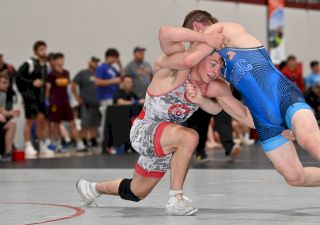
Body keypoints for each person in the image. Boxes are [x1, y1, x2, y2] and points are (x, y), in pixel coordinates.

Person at [160, 10, 320, 220]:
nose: (193, 48)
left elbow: (184, 57)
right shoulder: (219, 69)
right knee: (295, 177)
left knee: (310, 141)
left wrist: (170, 61)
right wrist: (200, 100)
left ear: (197, 27)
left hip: (284, 97)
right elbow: (235, 111)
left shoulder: (228, 30)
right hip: (264, 119)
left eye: (192, 40)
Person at [76, 26, 285, 216]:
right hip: (144, 131)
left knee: (136, 192)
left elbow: (243, 115)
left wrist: (278, 127)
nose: (215, 71)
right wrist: (206, 38)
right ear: (199, 58)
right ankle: (175, 199)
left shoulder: (212, 86)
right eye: (212, 63)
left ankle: (91, 188)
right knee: (189, 136)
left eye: (219, 67)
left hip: (166, 140)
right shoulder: (177, 69)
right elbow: (165, 33)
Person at [16, 40, 53, 158]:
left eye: (44, 49)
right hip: (30, 95)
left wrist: (46, 85)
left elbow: (45, 79)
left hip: (40, 96)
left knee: (41, 120)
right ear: (36, 51)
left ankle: (42, 144)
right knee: (29, 120)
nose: (43, 52)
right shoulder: (29, 63)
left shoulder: (45, 65)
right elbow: (18, 78)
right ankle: (28, 145)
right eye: (41, 49)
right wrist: (32, 82)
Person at [46, 53, 86, 152]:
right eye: (58, 59)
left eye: (62, 59)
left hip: (65, 101)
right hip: (55, 101)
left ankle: (79, 143)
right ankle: (58, 143)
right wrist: (48, 101)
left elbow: (68, 87)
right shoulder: (51, 75)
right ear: (54, 61)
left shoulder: (66, 73)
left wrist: (73, 101)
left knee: (72, 122)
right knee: (56, 123)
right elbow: (48, 89)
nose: (61, 62)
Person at [96, 48, 123, 152]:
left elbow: (121, 76)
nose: (116, 60)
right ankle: (102, 143)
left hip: (112, 97)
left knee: (110, 121)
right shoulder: (102, 67)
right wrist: (112, 81)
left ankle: (109, 143)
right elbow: (97, 82)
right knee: (104, 121)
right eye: (115, 58)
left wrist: (120, 65)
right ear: (110, 57)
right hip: (104, 97)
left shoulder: (112, 68)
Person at [72, 57, 101, 148]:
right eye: (94, 62)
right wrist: (76, 96)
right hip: (86, 103)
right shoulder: (83, 73)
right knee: (85, 123)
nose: (95, 64)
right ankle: (84, 139)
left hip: (96, 103)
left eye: (97, 62)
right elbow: (73, 84)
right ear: (89, 63)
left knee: (95, 123)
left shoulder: (98, 73)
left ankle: (93, 139)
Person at [0, 74, 19, 162]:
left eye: (7, 83)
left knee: (12, 124)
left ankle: (7, 154)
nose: (6, 85)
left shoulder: (3, 94)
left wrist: (11, 113)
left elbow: (2, 111)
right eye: (3, 83)